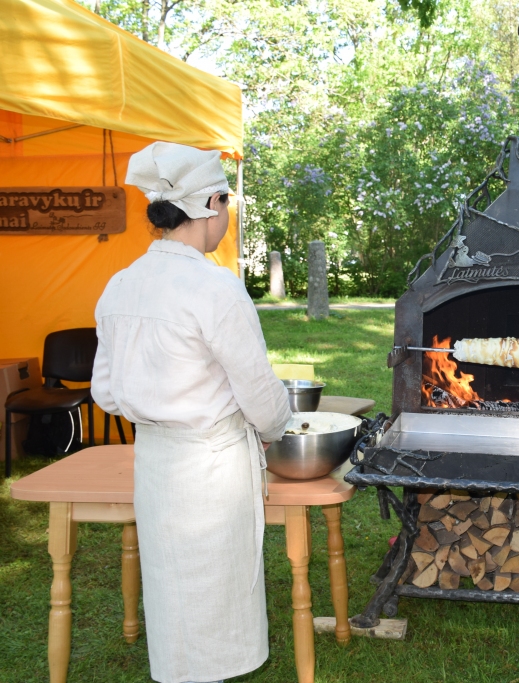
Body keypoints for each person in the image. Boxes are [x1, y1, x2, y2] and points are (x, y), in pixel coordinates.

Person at [91, 142, 292, 683]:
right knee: (215, 597)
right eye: (226, 201)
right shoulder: (216, 289)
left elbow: (105, 394)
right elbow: (258, 390)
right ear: (210, 205)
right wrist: (276, 427)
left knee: (176, 594)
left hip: (157, 464)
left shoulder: (119, 285)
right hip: (211, 467)